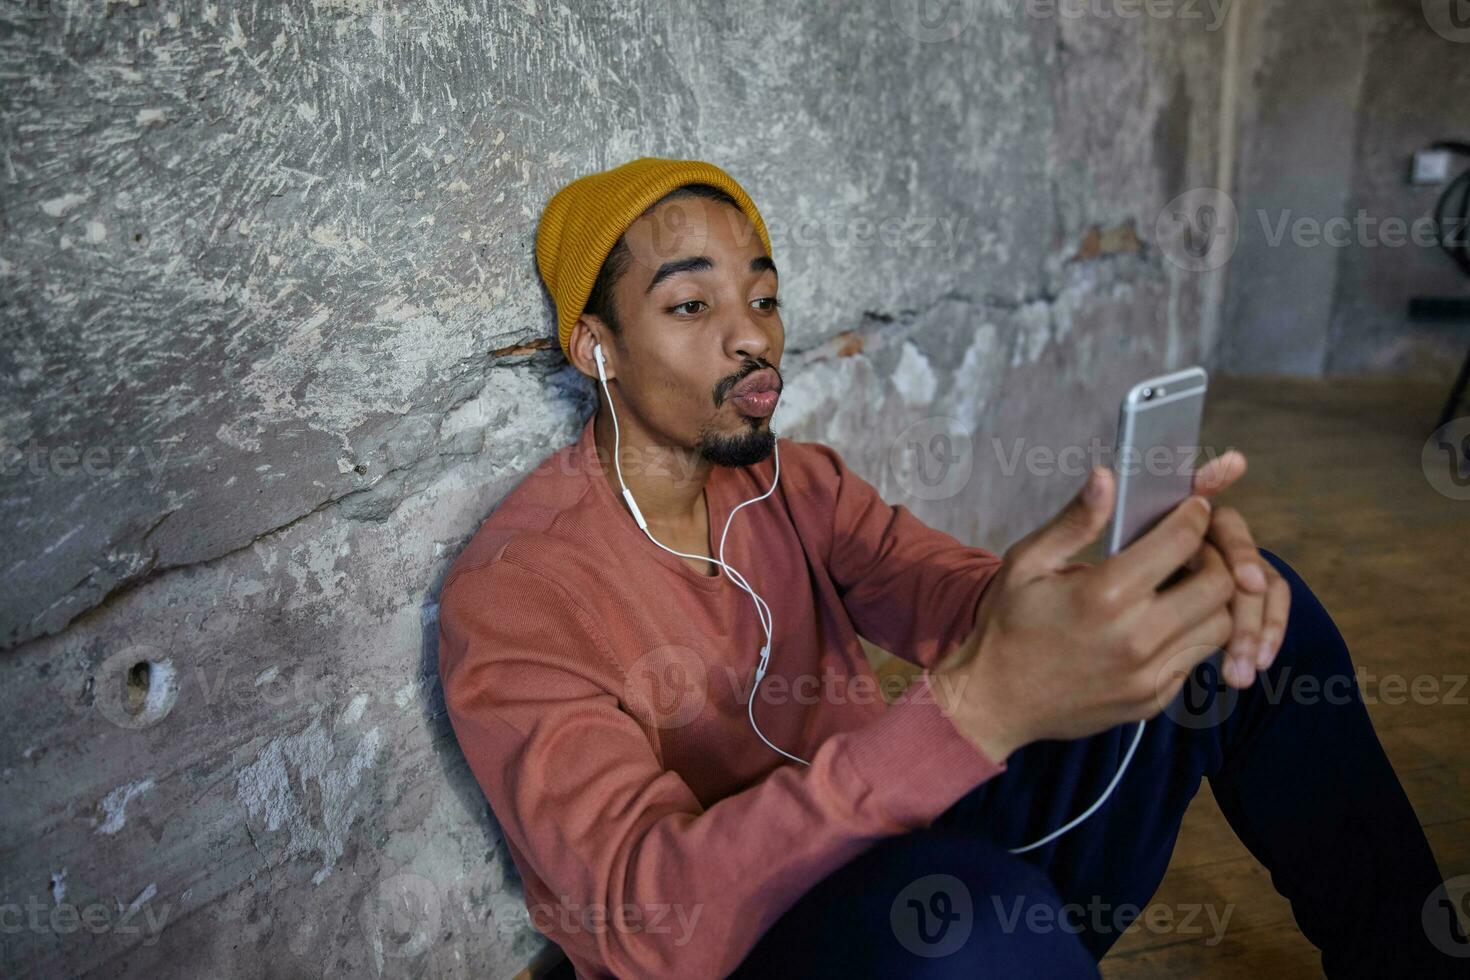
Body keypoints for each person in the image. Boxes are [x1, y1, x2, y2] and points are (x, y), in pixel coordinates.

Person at [436, 157, 1460, 978]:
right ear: (596, 347)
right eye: (691, 308)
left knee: (1231, 610)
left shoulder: (797, 484)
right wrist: (971, 714)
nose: (753, 336)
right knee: (968, 913)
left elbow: (956, 596)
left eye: (764, 295)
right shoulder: (519, 591)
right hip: (751, 942)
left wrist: (1114, 588)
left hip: (901, 852)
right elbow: (650, 921)